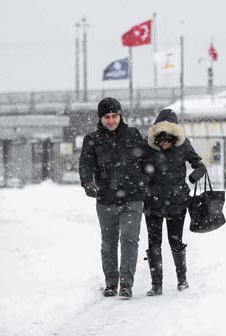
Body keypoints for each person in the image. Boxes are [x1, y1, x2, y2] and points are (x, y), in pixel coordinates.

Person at [79, 97, 151, 299]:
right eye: (107, 117)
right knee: (109, 242)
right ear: (100, 118)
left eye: (114, 116)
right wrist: (87, 182)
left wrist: (145, 181)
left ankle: (126, 283)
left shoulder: (133, 134)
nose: (111, 121)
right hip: (106, 198)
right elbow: (85, 164)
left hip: (133, 197)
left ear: (120, 116)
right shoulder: (92, 140)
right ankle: (111, 282)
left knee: (129, 240)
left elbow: (146, 160)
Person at [143, 109, 206, 296]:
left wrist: (194, 177)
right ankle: (156, 285)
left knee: (175, 241)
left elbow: (200, 165)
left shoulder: (184, 145)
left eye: (168, 139)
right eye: (161, 140)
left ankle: (182, 279)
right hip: (152, 203)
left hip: (177, 203)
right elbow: (137, 168)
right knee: (154, 243)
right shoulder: (148, 148)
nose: (164, 144)